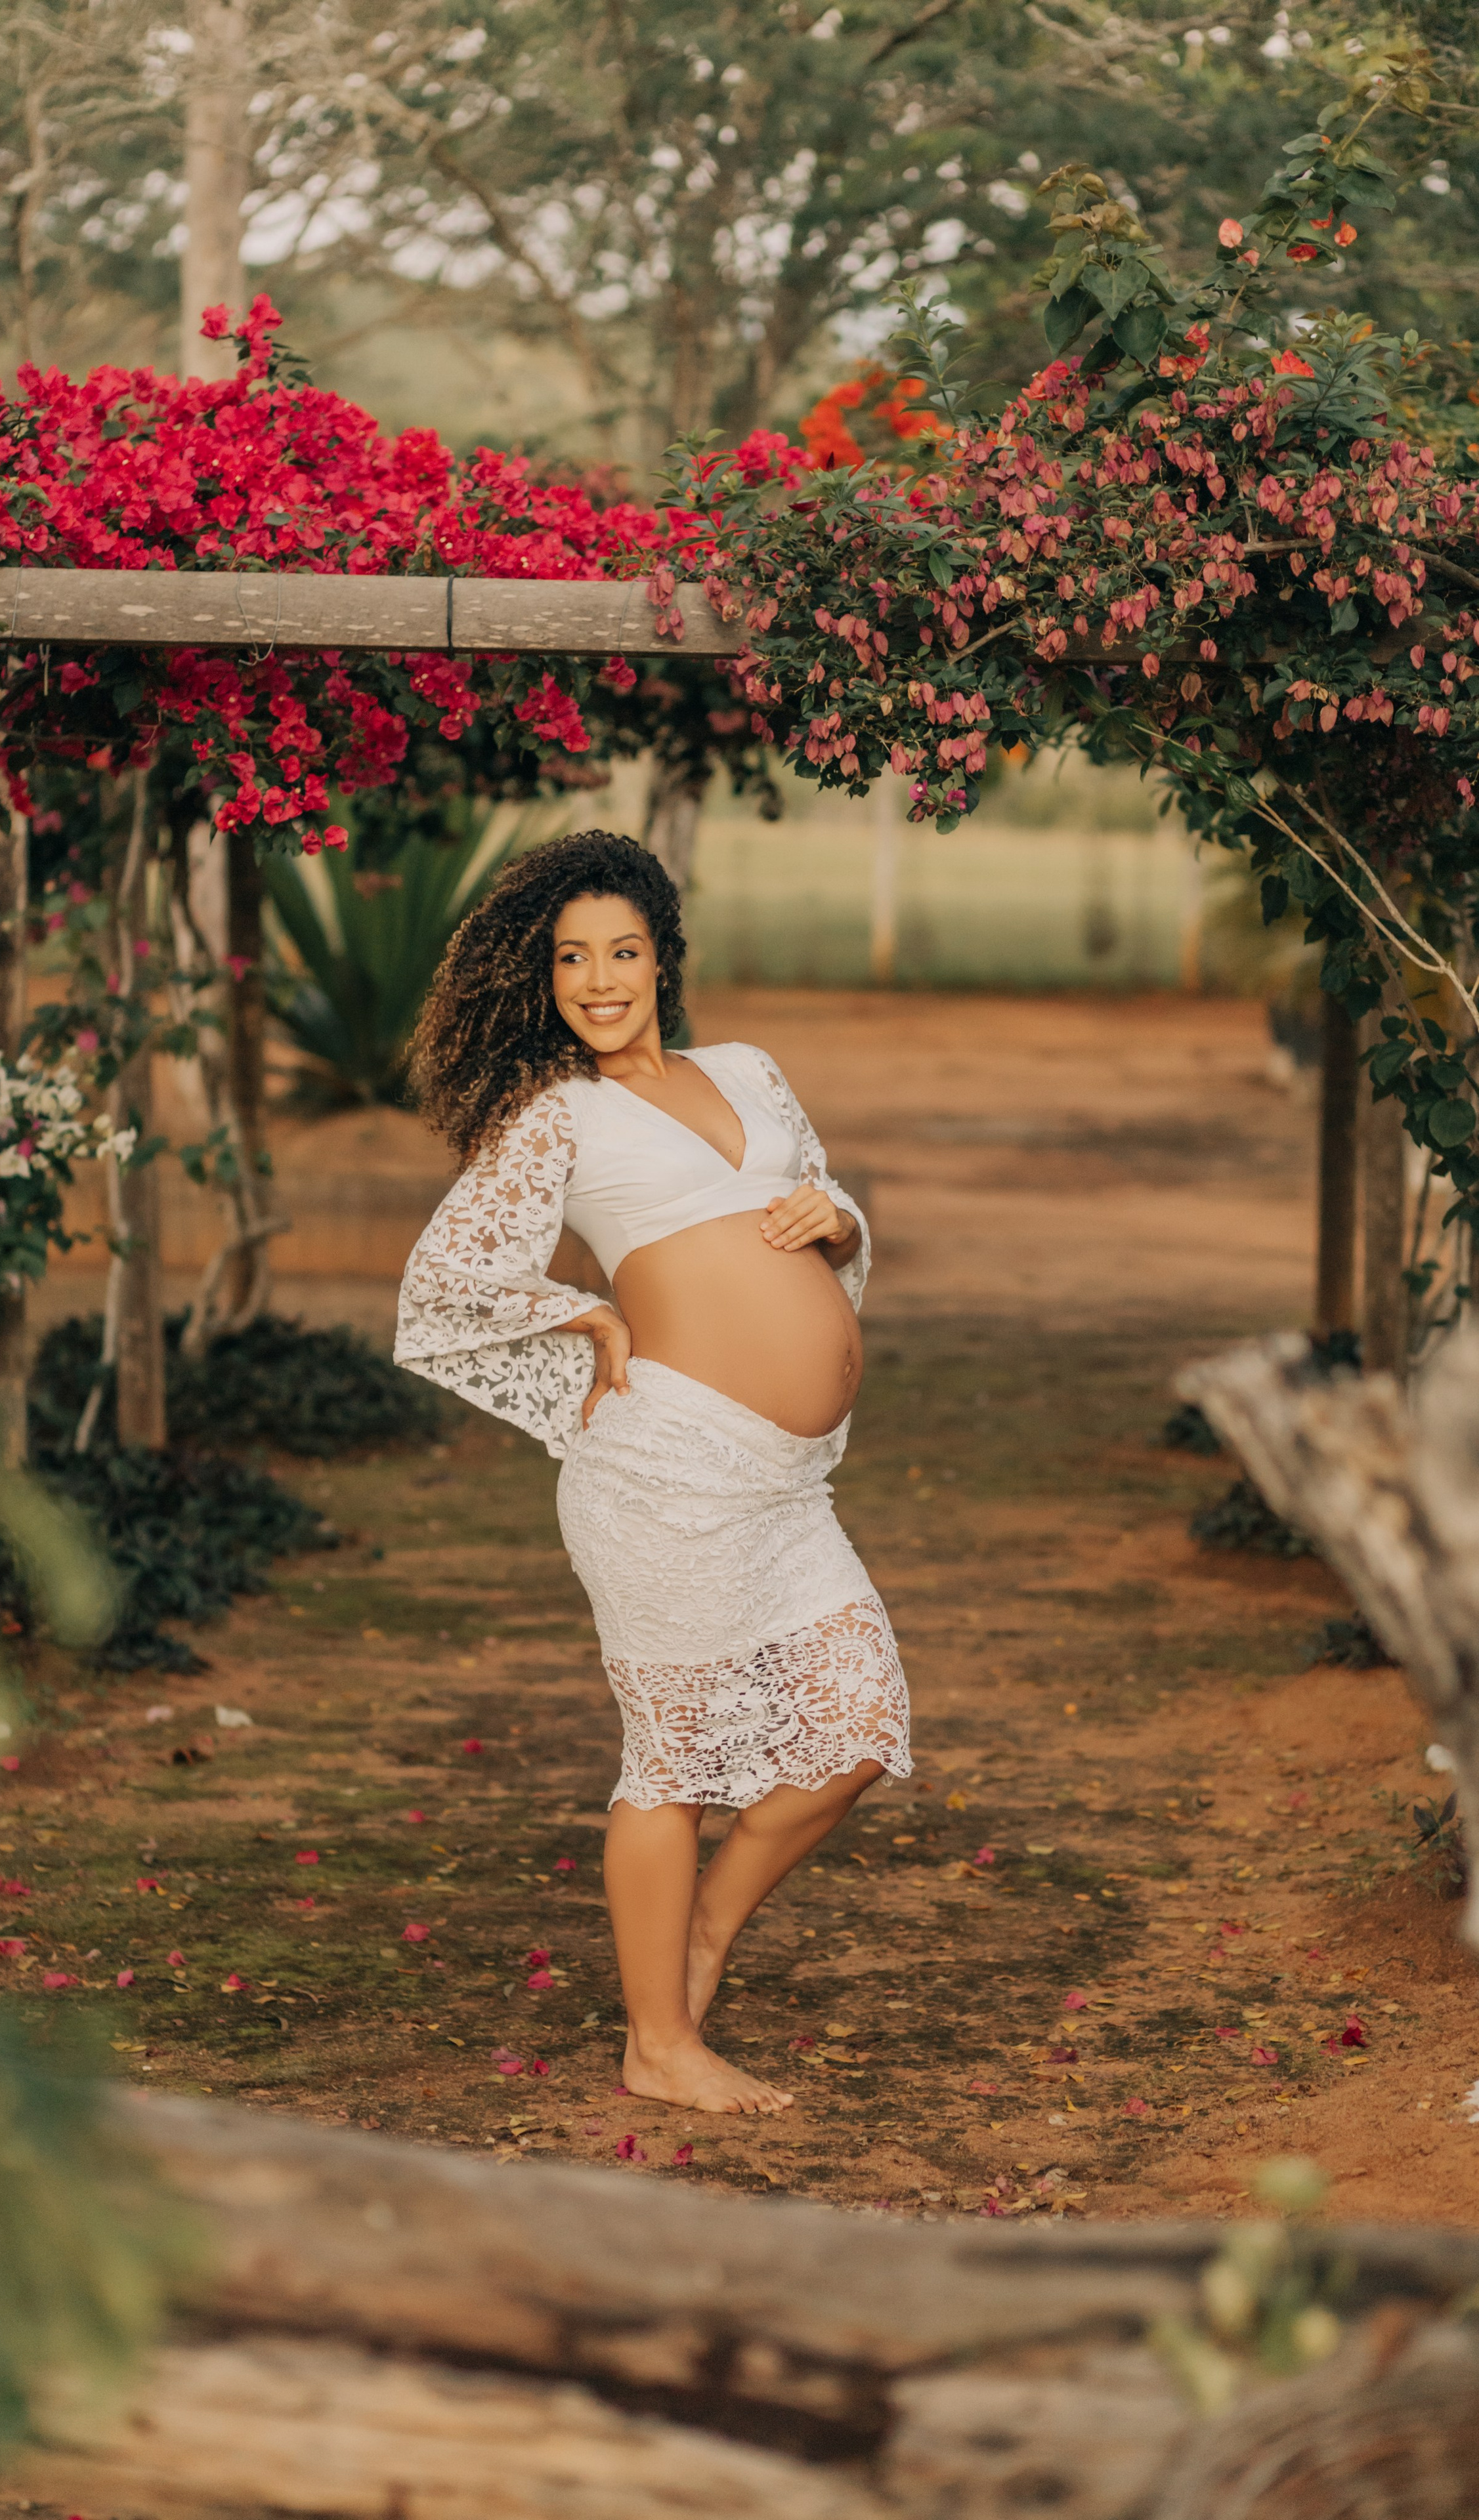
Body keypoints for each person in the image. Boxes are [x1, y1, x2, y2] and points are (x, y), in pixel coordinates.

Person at [397, 830, 910, 2116]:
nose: (598, 978)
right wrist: (581, 1312)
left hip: (785, 1487)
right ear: (543, 979)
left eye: (620, 950)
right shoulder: (554, 1114)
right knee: (669, 1763)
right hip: (660, 1473)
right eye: (571, 959)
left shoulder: (747, 1069)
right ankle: (657, 2044)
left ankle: (697, 1944)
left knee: (854, 1727)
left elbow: (825, 1201)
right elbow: (447, 1280)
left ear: (661, 957)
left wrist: (837, 1220)